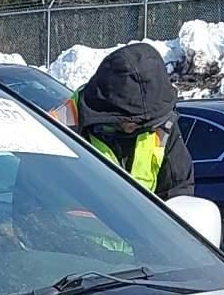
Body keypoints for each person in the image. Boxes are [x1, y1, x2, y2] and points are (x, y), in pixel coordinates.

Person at [69, 42, 196, 201]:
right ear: (110, 111)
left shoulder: (161, 124)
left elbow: (178, 192)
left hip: (143, 223)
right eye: (132, 120)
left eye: (144, 123)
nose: (137, 127)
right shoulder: (62, 126)